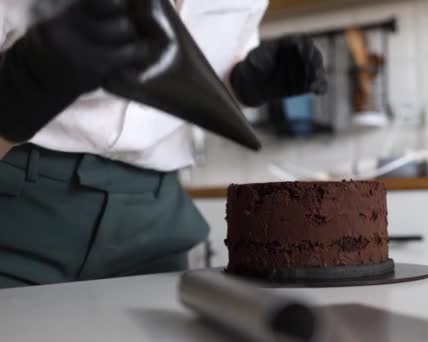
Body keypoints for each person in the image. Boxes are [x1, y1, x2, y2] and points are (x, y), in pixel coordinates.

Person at [0, 0, 326, 288]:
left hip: (155, 227)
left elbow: (207, 70)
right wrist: (19, 92)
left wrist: (242, 85)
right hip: (21, 212)